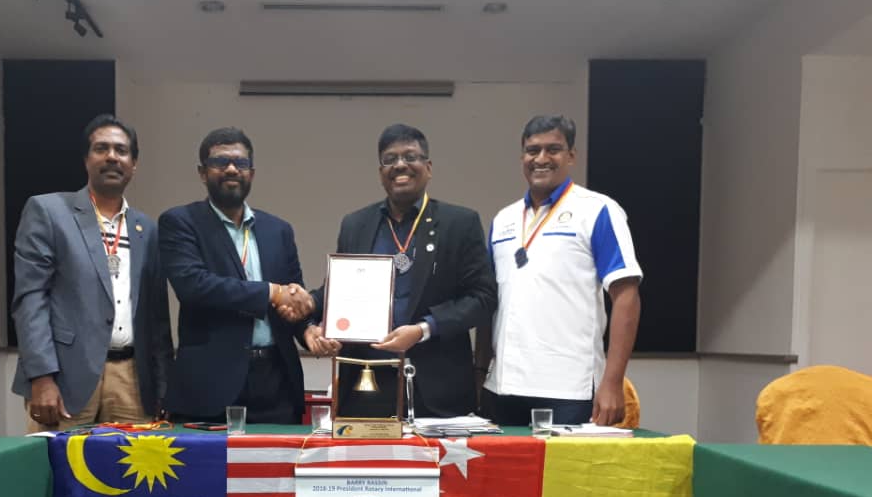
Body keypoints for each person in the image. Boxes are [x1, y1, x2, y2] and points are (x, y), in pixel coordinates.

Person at [306, 123, 497, 418]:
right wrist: (313, 320)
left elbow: (482, 298)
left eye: (410, 157)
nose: (400, 165)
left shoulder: (460, 223)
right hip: (366, 384)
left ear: (428, 167)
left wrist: (423, 329)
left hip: (438, 390)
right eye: (389, 159)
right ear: (380, 172)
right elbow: (338, 291)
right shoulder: (356, 225)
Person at [11, 114, 173, 432]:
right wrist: (41, 376)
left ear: (134, 164)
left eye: (121, 150)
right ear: (86, 160)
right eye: (101, 148)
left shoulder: (146, 228)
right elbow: (31, 299)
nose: (112, 156)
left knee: (131, 465)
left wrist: (163, 387)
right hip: (64, 378)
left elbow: (157, 317)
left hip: (132, 382)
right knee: (57, 463)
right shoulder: (49, 212)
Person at [479, 114, 642, 427]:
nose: (541, 158)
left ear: (571, 156)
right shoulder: (503, 220)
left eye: (553, 149)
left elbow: (626, 296)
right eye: (532, 150)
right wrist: (480, 373)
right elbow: (489, 302)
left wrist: (612, 382)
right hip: (502, 387)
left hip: (569, 389)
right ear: (522, 157)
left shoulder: (597, 210)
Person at [159, 127, 314, 424]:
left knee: (278, 457)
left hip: (276, 384)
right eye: (220, 162)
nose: (231, 169)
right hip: (209, 387)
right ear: (202, 173)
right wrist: (271, 292)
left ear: (251, 173)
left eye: (240, 163)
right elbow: (194, 286)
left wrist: (308, 330)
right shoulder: (180, 222)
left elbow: (293, 295)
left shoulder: (278, 230)